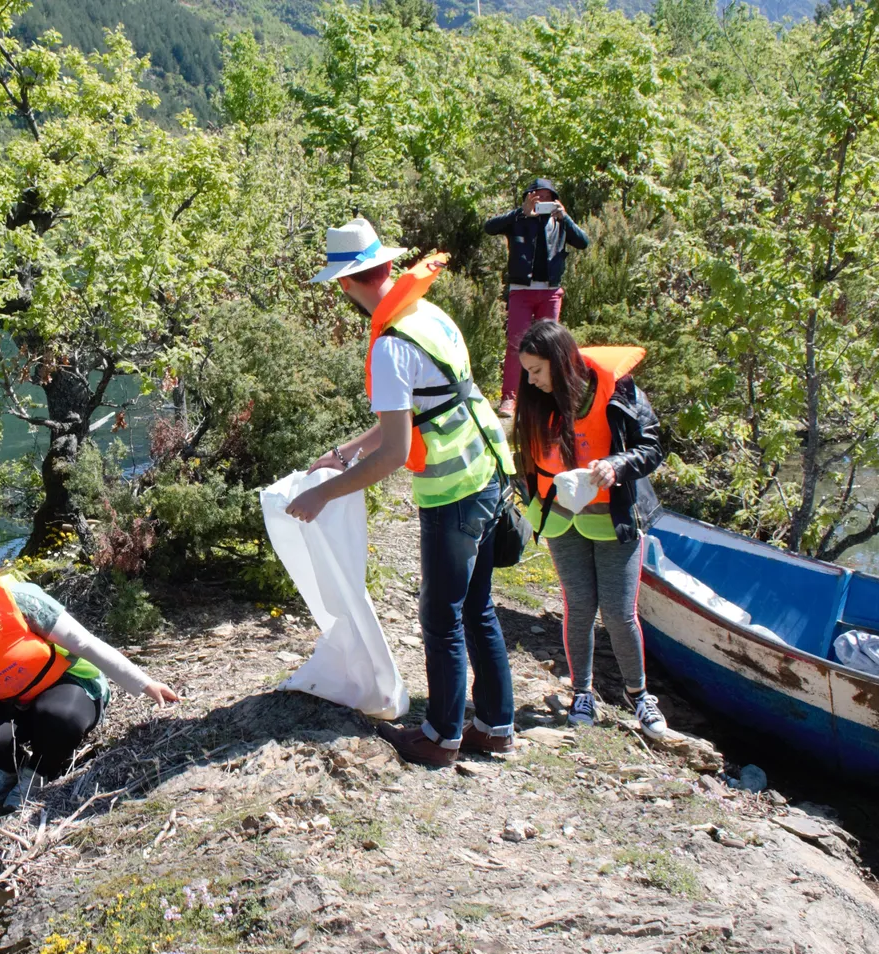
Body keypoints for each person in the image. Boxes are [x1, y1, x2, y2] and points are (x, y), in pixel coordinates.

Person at [286, 217, 517, 768]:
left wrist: (325, 493)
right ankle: (496, 725)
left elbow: (394, 451)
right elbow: (423, 408)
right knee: (478, 607)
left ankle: (441, 737)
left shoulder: (389, 346)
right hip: (487, 471)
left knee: (442, 616)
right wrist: (345, 452)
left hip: (453, 492)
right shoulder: (426, 314)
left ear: (344, 283)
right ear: (387, 266)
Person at [0, 554, 179, 813]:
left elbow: (85, 644)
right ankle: (10, 772)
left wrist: (145, 684)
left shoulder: (23, 605)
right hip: (1, 701)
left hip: (63, 686)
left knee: (60, 718)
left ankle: (39, 773)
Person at [511, 320, 668, 736]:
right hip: (563, 519)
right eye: (527, 371)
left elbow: (652, 447)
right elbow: (525, 464)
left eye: (538, 371)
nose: (531, 380)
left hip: (614, 519)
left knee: (618, 613)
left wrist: (616, 465)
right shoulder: (535, 400)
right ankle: (582, 692)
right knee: (579, 606)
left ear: (561, 362)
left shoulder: (619, 389)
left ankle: (639, 696)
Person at [484, 179, 591, 417]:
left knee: (550, 345)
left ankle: (551, 397)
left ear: (555, 199)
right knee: (516, 344)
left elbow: (583, 243)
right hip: (521, 290)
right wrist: (520, 213)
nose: (541, 201)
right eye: (536, 197)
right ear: (527, 198)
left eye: (547, 197)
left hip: (550, 292)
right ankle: (509, 399)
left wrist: (566, 218)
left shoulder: (560, 222)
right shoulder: (519, 219)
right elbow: (488, 227)